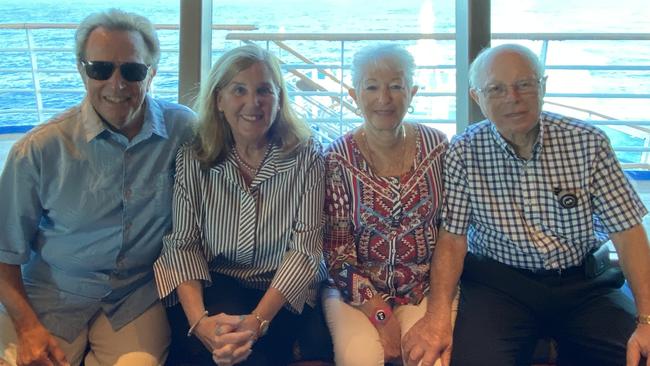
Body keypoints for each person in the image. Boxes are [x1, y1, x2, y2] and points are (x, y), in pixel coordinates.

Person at [416, 43, 650, 366]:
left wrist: (647, 320)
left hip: (584, 285)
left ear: (543, 86)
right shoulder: (464, 150)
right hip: (499, 287)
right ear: (476, 97)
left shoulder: (588, 143)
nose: (513, 97)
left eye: (524, 84)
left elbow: (628, 232)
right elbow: (453, 239)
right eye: (496, 89)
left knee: (635, 356)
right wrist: (438, 315)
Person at [0, 8, 195, 366]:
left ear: (151, 74)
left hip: (133, 298)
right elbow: (3, 254)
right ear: (81, 70)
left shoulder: (183, 129)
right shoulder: (38, 150)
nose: (116, 84)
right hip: (49, 295)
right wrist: (28, 328)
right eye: (101, 69)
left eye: (133, 71)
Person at [153, 44, 332, 366]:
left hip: (282, 289)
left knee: (259, 354)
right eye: (239, 90)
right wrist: (201, 324)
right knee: (220, 349)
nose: (253, 103)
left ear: (279, 99)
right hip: (219, 280)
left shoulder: (307, 155)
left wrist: (257, 322)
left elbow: (306, 250)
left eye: (264, 90)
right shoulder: (194, 156)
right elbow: (182, 245)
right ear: (219, 100)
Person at [322, 43, 455, 366]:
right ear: (354, 95)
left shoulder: (437, 146)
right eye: (371, 87)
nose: (384, 99)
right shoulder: (337, 158)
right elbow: (337, 254)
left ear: (412, 91)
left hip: (426, 289)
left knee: (429, 360)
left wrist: (438, 306)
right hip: (355, 295)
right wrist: (381, 315)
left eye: (396, 86)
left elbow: (451, 233)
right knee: (358, 359)